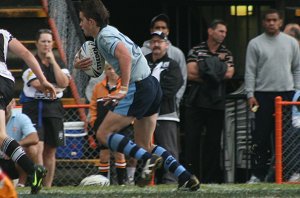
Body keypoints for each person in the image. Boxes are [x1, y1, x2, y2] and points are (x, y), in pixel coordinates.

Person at [74, 0, 199, 191]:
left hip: (138, 87)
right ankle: (186, 176)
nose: (80, 24)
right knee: (145, 144)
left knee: (103, 133)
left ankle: (149, 161)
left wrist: (123, 87)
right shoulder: (109, 32)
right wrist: (80, 64)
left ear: (91, 21)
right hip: (150, 85)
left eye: (82, 20)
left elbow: (125, 55)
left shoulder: (104, 37)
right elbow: (114, 56)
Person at [244, 9, 300, 183]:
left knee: (288, 137)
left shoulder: (291, 43)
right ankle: (258, 175)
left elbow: (297, 68)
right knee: (260, 137)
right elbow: (250, 71)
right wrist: (250, 94)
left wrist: (297, 92)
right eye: (268, 20)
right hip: (262, 95)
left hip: (287, 95)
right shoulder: (255, 43)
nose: (271, 23)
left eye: (274, 20)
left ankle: (290, 173)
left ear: (280, 22)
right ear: (263, 22)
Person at [0, 28, 56, 194]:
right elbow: (26, 54)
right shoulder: (3, 32)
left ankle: (32, 170)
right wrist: (43, 80)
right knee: (1, 136)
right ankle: (33, 170)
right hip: (6, 81)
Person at [184, 19, 234, 183]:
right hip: (196, 101)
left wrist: (204, 67)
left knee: (213, 142)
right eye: (220, 31)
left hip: (216, 103)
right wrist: (217, 67)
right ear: (210, 31)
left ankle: (209, 178)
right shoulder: (196, 49)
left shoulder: (227, 52)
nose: (224, 34)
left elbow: (230, 74)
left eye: (225, 32)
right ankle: (189, 176)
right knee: (192, 140)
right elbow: (190, 72)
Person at [20, 29, 70, 187]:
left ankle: (47, 188)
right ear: (37, 43)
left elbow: (64, 83)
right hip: (35, 108)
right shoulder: (29, 61)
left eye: (49, 41)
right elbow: (40, 86)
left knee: (51, 150)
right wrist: (55, 87)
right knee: (37, 148)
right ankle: (37, 184)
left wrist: (53, 62)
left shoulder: (59, 62)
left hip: (54, 109)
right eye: (43, 41)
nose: (46, 44)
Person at [145, 31, 183, 184]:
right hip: (145, 114)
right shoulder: (143, 62)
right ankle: (144, 178)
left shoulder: (172, 65)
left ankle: (170, 179)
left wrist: (149, 94)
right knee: (144, 146)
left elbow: (172, 88)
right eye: (153, 41)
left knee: (169, 148)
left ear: (166, 45)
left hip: (166, 113)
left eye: (160, 42)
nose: (156, 44)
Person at [141, 13, 187, 117]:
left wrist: (176, 99)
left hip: (168, 108)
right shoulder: (141, 52)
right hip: (145, 107)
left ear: (168, 31)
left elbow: (183, 79)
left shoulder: (177, 53)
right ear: (151, 30)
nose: (161, 30)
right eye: (157, 27)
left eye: (163, 27)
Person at [89, 63, 127, 185]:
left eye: (115, 68)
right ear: (105, 71)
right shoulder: (98, 87)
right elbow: (93, 106)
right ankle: (103, 182)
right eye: (109, 69)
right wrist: (93, 121)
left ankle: (121, 183)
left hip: (119, 126)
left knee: (119, 154)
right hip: (101, 126)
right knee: (104, 155)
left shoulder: (124, 88)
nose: (112, 71)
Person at [0, 99, 39, 187]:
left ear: (13, 103)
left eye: (7, 102)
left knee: (32, 149)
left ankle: (21, 184)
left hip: (15, 160)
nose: (5, 105)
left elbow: (34, 138)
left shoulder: (21, 118)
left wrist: (13, 148)